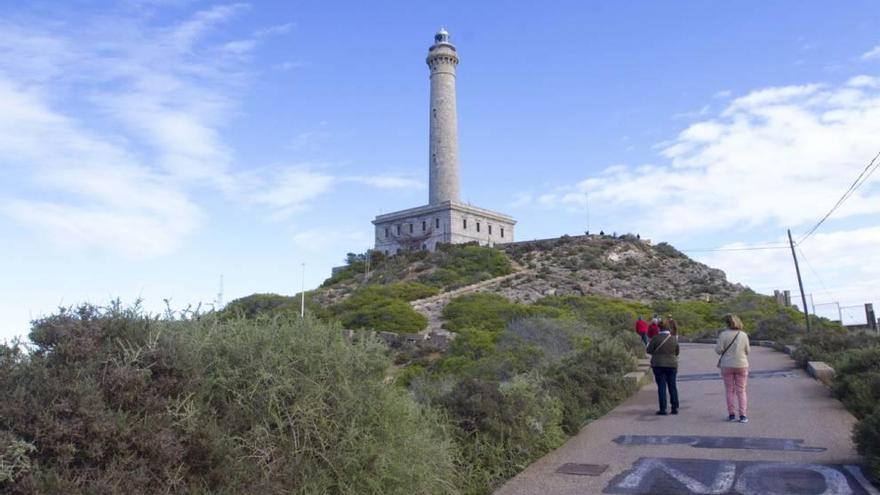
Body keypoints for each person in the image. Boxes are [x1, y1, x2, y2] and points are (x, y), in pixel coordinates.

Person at [716, 314, 751, 423]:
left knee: (729, 390)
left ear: (727, 323)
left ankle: (731, 415)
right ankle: (743, 415)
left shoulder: (723, 335)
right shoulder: (743, 335)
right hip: (741, 364)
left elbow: (718, 350)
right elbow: (748, 351)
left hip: (726, 365)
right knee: (741, 391)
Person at [646, 321, 680, 415]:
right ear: (668, 328)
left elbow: (648, 350)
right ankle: (674, 407)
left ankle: (663, 409)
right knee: (672, 385)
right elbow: (677, 351)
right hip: (672, 364)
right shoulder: (673, 339)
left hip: (658, 364)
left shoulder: (655, 338)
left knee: (661, 386)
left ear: (659, 328)